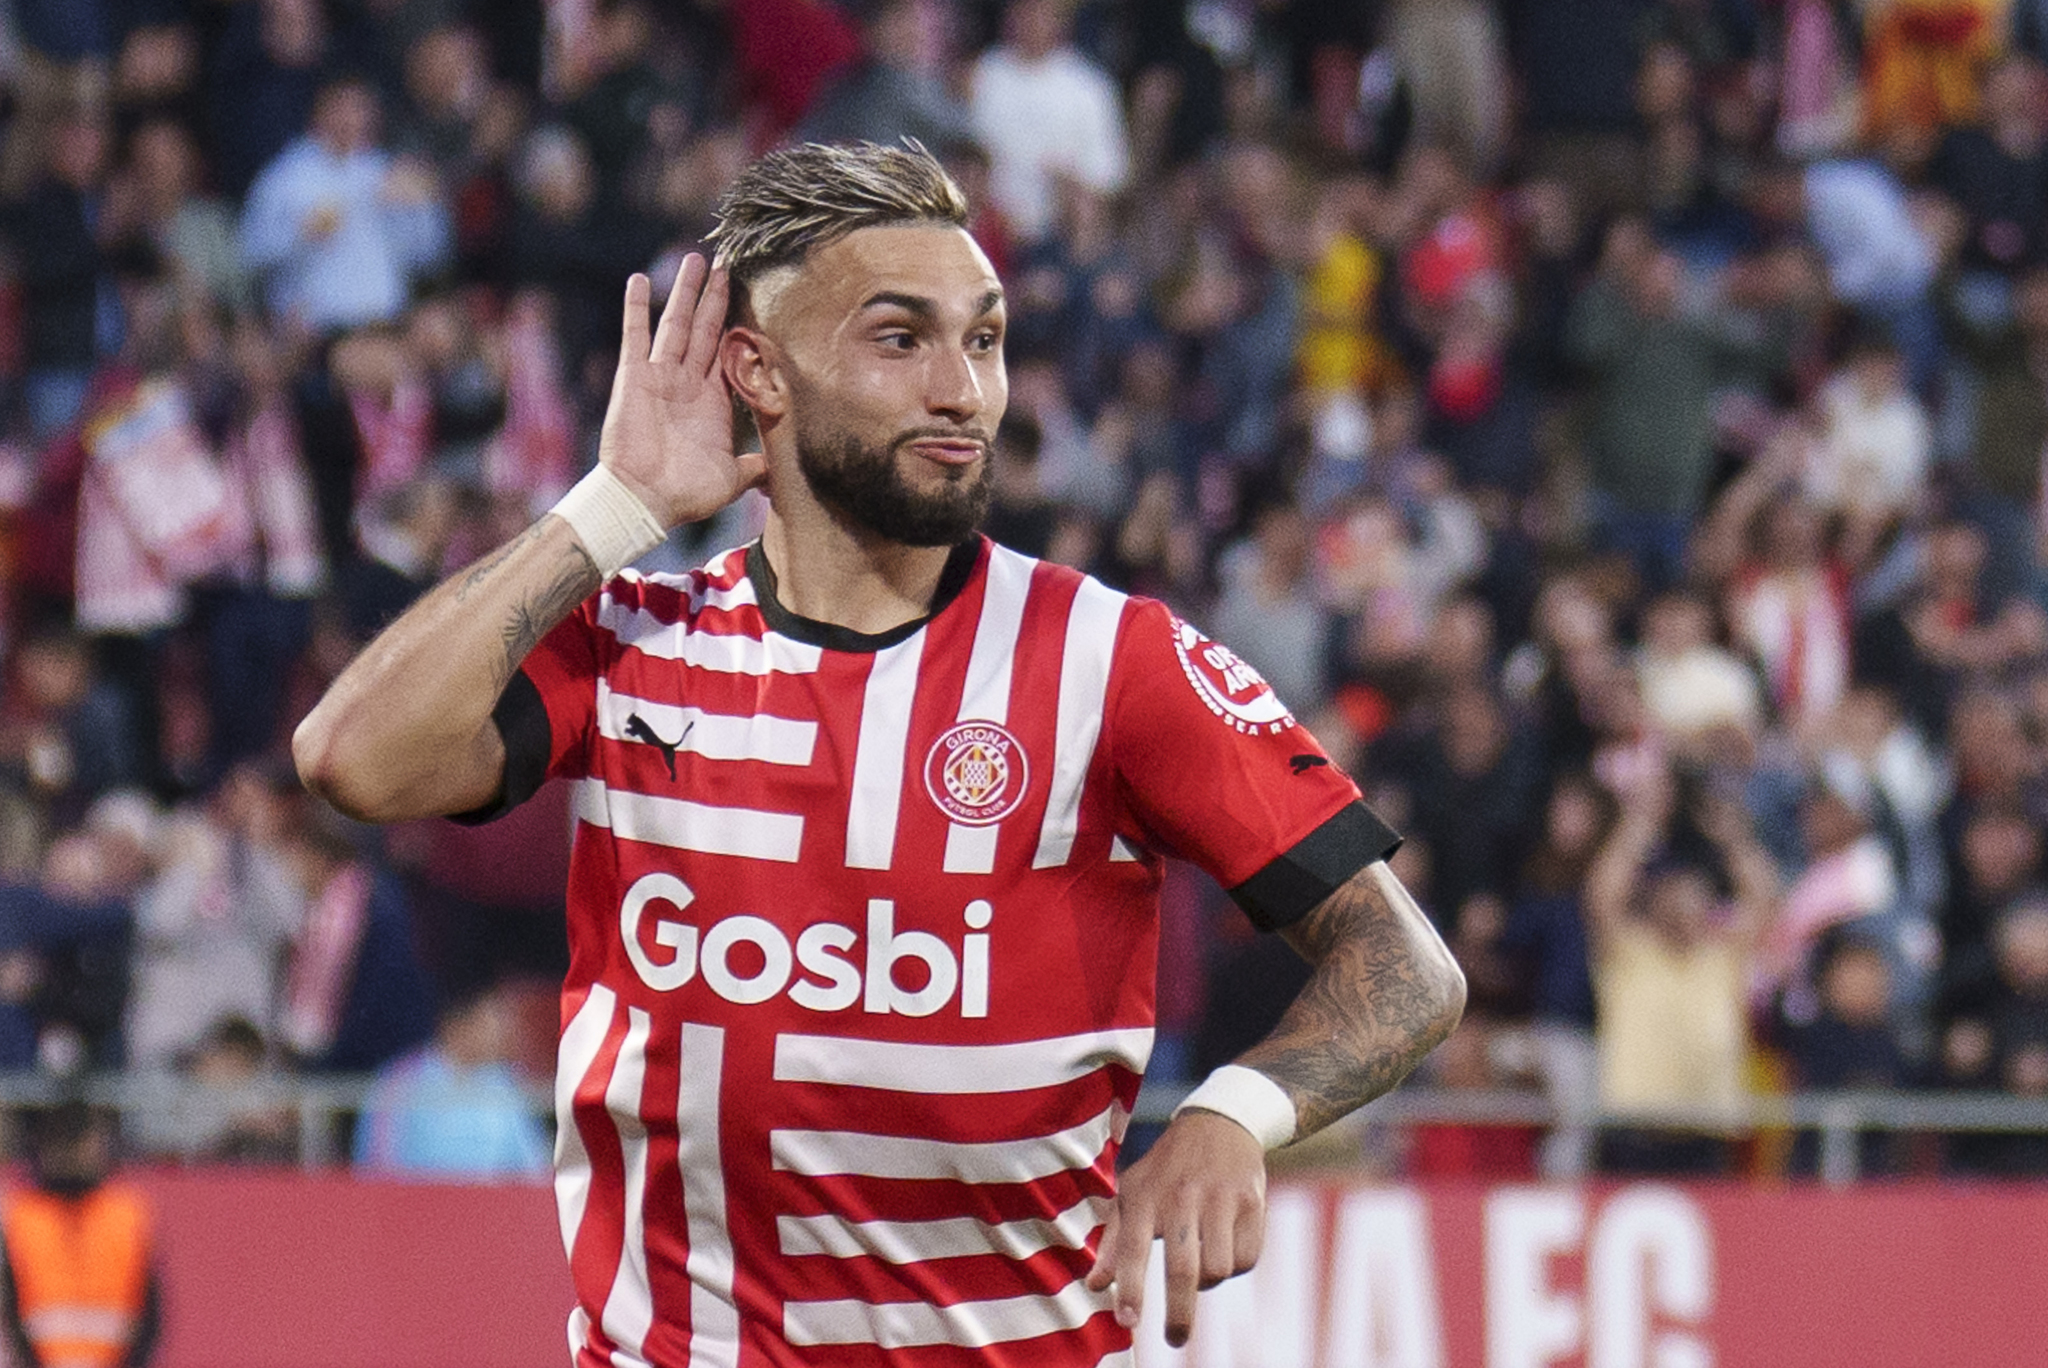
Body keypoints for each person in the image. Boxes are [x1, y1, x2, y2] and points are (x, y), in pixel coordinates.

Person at [294, 141, 1463, 1363]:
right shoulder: (631, 641)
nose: (960, 387)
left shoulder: (1109, 660)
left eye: (985, 338)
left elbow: (1406, 965)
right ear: (758, 370)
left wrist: (1234, 1112)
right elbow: (352, 760)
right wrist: (616, 505)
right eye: (898, 338)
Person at [0, 1101, 161, 1368]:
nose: (73, 1155)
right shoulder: (19, 1215)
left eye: (81, 1143)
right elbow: (9, 1311)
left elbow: (150, 1313)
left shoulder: (128, 1214)